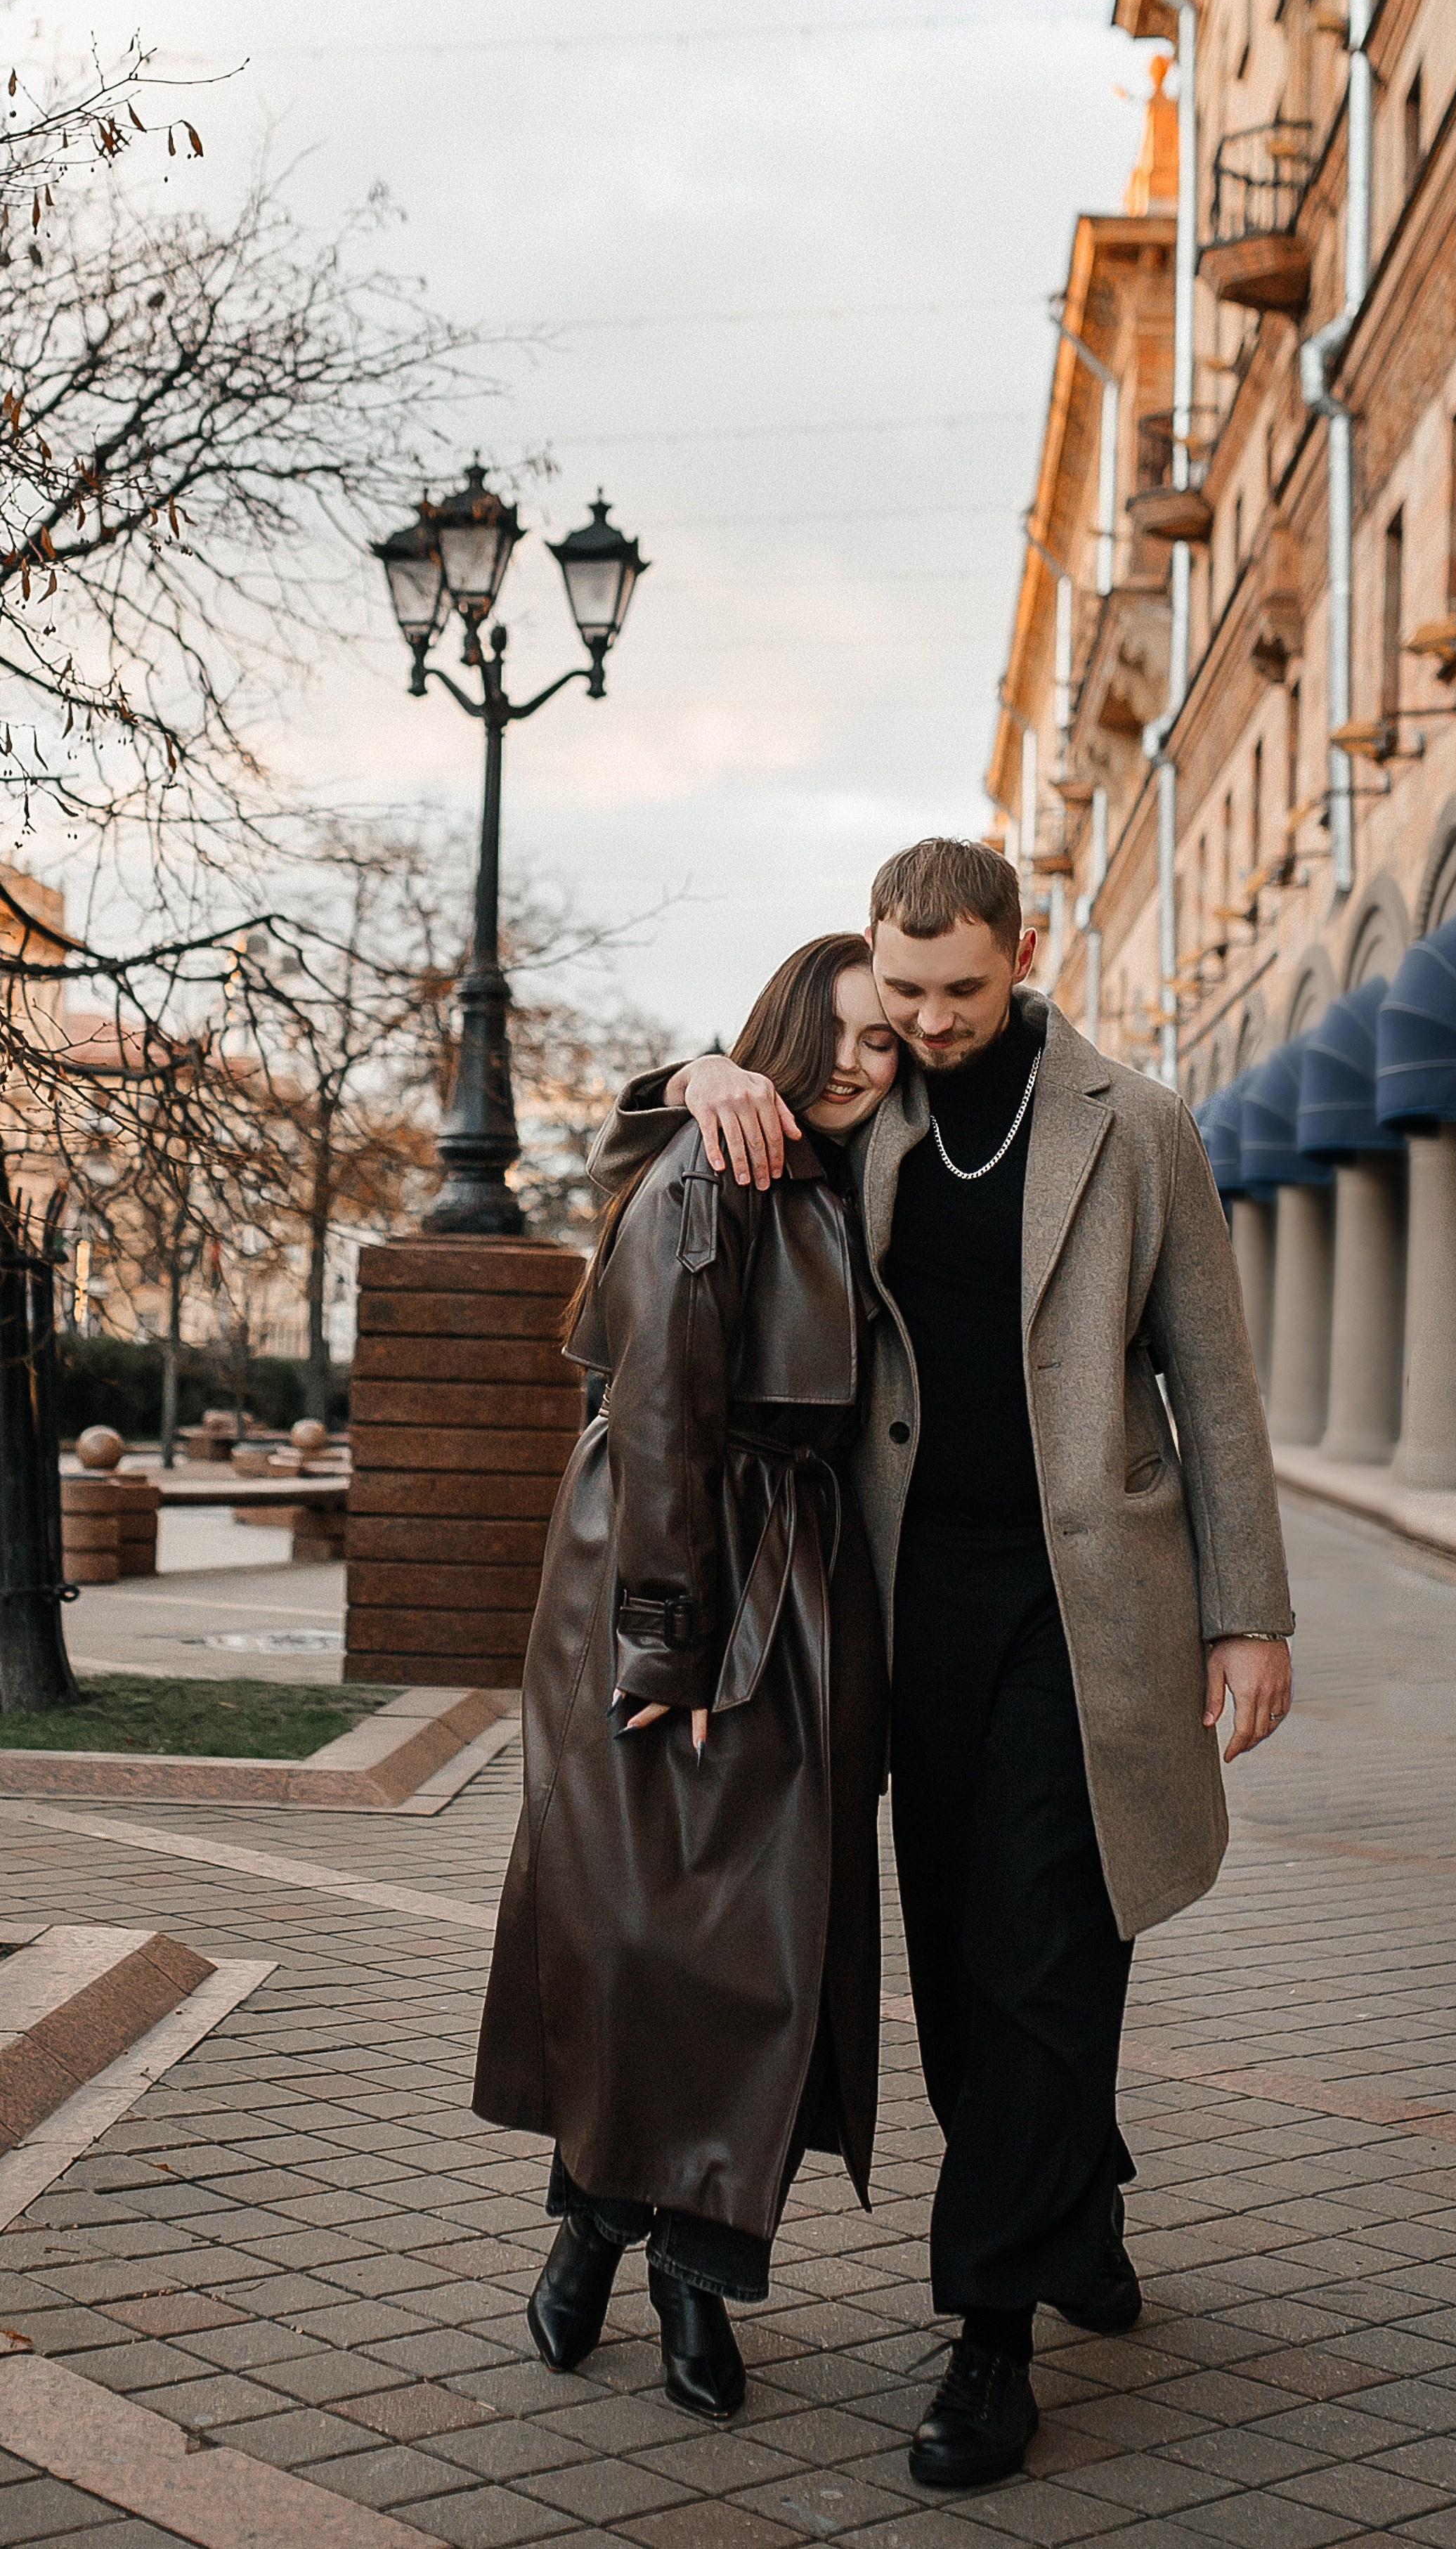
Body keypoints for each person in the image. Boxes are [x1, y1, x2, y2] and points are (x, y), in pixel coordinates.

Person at [593, 837, 1294, 2487]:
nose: (921, 1021)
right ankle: (1078, 2193)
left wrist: (1247, 1611)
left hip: (1089, 1600)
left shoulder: (1136, 1125)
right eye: (898, 992)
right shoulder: (865, 1113)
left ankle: (987, 2332)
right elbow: (676, 1154)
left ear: (1022, 951)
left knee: (1049, 1935)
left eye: (955, 991)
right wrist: (694, 1067)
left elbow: (1213, 1376)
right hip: (903, 1602)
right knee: (964, 1964)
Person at [472, 935, 897, 2423]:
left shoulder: (839, 1170)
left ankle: (665, 2265)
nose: (860, 1062)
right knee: (650, 1939)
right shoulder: (712, 1173)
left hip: (793, 1588)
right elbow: (655, 1413)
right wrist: (669, 1635)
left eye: (884, 1043)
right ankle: (620, 2240)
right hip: (674, 1575)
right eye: (837, 1035)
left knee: (756, 1949)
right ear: (780, 1030)